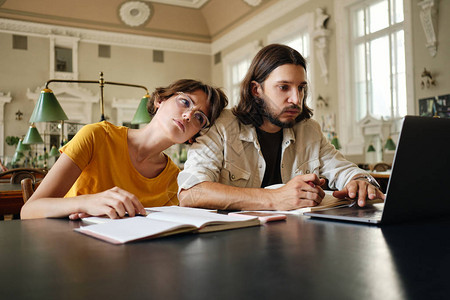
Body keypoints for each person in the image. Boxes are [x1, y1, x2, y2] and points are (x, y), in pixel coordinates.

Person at [178, 44, 384, 211]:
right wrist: (274, 198)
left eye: (301, 88)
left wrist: (360, 180)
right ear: (256, 90)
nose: (296, 99)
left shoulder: (309, 130)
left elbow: (343, 169)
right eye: (284, 87)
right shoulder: (221, 126)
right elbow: (190, 193)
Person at [21, 79, 228, 219]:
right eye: (185, 102)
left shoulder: (175, 180)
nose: (188, 115)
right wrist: (86, 203)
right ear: (160, 100)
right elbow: (29, 210)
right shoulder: (96, 136)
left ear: (194, 137)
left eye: (199, 117)